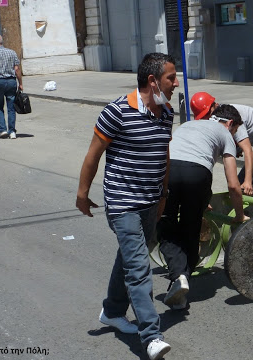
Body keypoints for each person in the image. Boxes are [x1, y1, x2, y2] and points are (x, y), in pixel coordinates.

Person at [76, 53, 178, 360]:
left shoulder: (167, 113)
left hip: (150, 201)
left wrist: (163, 196)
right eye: (171, 78)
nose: (175, 84)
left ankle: (112, 312)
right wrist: (82, 193)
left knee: (128, 258)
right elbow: (93, 154)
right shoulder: (117, 111)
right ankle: (152, 335)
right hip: (122, 203)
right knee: (138, 267)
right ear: (153, 80)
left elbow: (164, 156)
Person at [157, 104, 249, 310]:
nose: (234, 135)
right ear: (230, 124)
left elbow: (165, 150)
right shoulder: (225, 135)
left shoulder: (188, 125)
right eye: (235, 131)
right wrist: (240, 215)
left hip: (168, 171)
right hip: (197, 175)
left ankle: (178, 281)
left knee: (166, 227)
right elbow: (234, 184)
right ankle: (181, 281)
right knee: (191, 229)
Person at [190, 92, 253, 200]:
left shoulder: (231, 117)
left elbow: (247, 150)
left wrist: (247, 181)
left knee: (240, 187)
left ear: (215, 106)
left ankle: (241, 215)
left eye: (207, 115)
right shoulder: (225, 112)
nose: (207, 120)